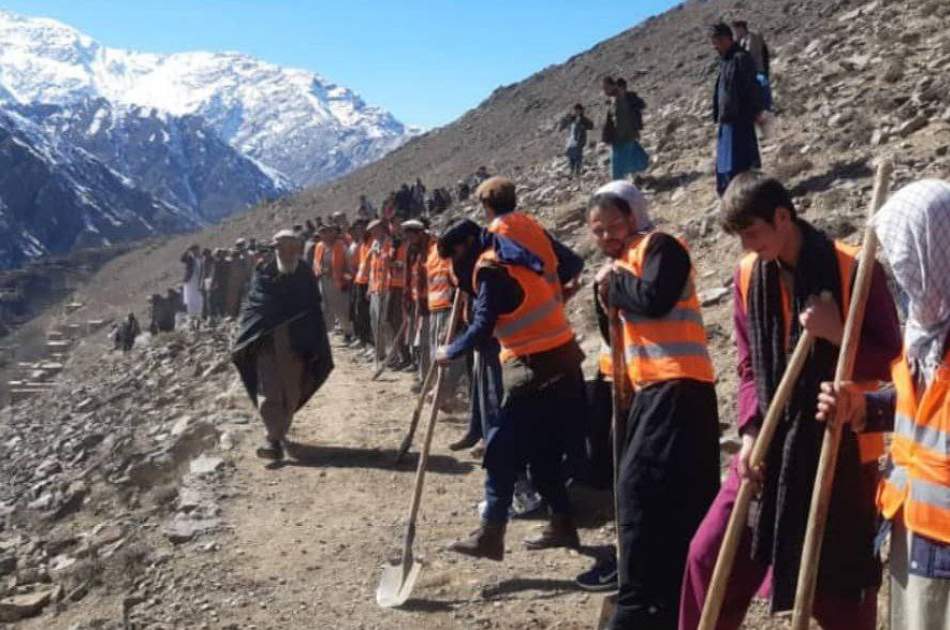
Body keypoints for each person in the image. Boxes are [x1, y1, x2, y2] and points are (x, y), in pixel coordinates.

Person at [678, 172, 902, 630]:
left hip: (842, 448)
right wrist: (748, 432)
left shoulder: (852, 267)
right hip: (767, 447)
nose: (747, 246)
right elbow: (746, 366)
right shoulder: (748, 274)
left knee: (840, 590)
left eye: (752, 233)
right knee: (708, 556)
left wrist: (837, 333)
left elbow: (893, 362)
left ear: (783, 216)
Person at [581, 181, 721, 628]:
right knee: (670, 497)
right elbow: (616, 337)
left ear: (634, 219)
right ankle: (670, 598)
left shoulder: (661, 246)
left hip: (677, 387)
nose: (606, 238)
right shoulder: (622, 265)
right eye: (598, 232)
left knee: (638, 493)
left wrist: (615, 285)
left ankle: (638, 605)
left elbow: (656, 301)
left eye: (613, 227)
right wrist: (605, 299)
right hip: (650, 392)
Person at [815, 179, 950, 630]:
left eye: (910, 266)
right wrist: (862, 408)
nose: (904, 282)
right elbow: (922, 406)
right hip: (916, 526)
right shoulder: (928, 331)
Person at [435, 218, 587, 561]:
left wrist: (450, 351)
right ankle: (562, 523)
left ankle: (491, 534)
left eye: (454, 254)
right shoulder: (512, 259)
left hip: (537, 365)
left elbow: (482, 325)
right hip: (563, 358)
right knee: (543, 452)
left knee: (501, 449)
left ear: (465, 247)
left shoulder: (490, 270)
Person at [232, 230, 334, 461]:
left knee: (291, 391)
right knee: (268, 390)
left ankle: (278, 433)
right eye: (282, 248)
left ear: (297, 249)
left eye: (291, 248)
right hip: (267, 342)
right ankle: (272, 438)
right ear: (275, 249)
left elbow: (312, 308)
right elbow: (256, 305)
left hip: (297, 344)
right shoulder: (263, 273)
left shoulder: (305, 274)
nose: (287, 253)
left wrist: (313, 342)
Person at [710, 23, 766, 196]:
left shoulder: (741, 58)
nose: (715, 45)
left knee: (740, 161)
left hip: (740, 119)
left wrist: (755, 111)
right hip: (726, 120)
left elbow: (752, 88)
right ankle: (730, 195)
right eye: (713, 42)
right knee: (725, 163)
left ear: (728, 38)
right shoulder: (726, 60)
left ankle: (745, 196)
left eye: (718, 40)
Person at [313, 225, 354, 342]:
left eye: (328, 232)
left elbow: (349, 266)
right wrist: (319, 270)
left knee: (343, 310)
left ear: (333, 233)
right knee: (325, 309)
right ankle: (326, 334)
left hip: (339, 284)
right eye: (322, 233)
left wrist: (346, 279)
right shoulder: (319, 246)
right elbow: (316, 262)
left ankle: (349, 333)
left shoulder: (341, 246)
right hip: (324, 282)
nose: (325, 235)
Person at [602, 77, 648, 180]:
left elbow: (642, 105)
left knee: (624, 160)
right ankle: (626, 180)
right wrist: (606, 137)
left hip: (629, 134)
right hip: (618, 137)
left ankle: (625, 181)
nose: (604, 90)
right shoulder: (612, 101)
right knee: (620, 159)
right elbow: (609, 121)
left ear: (613, 86)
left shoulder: (630, 97)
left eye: (606, 87)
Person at [731, 20, 772, 112]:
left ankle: (767, 110)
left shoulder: (752, 37)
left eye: (736, 30)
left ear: (741, 28)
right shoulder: (742, 40)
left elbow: (750, 54)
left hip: (757, 69)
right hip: (749, 72)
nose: (735, 33)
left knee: (763, 89)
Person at [561, 104, 594, 177]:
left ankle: (577, 173)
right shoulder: (571, 119)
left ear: (581, 111)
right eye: (576, 110)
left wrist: (583, 125)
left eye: (578, 110)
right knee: (571, 158)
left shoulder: (583, 119)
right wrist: (565, 119)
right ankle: (571, 172)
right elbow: (563, 126)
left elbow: (591, 126)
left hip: (579, 142)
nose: (577, 111)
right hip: (570, 141)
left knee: (578, 157)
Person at [180, 245, 204, 323]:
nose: (195, 252)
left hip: (199, 279)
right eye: (193, 250)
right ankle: (192, 315)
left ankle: (199, 313)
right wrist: (186, 251)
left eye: (196, 250)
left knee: (199, 296)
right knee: (190, 297)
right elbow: (182, 259)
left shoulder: (201, 258)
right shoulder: (189, 258)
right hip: (190, 280)